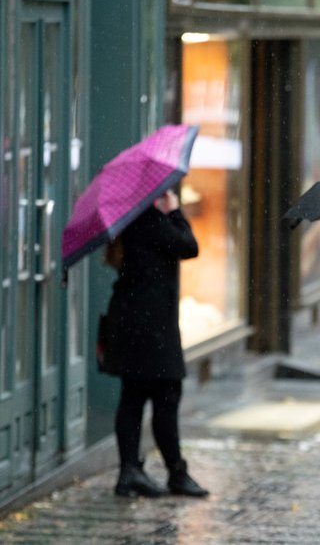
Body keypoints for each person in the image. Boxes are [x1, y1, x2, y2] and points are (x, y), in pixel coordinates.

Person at [100, 189, 208, 498]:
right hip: (151, 328)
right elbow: (190, 246)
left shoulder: (128, 220)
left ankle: (130, 471)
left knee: (133, 397)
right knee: (166, 396)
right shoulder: (150, 221)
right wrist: (174, 211)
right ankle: (174, 473)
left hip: (132, 322)